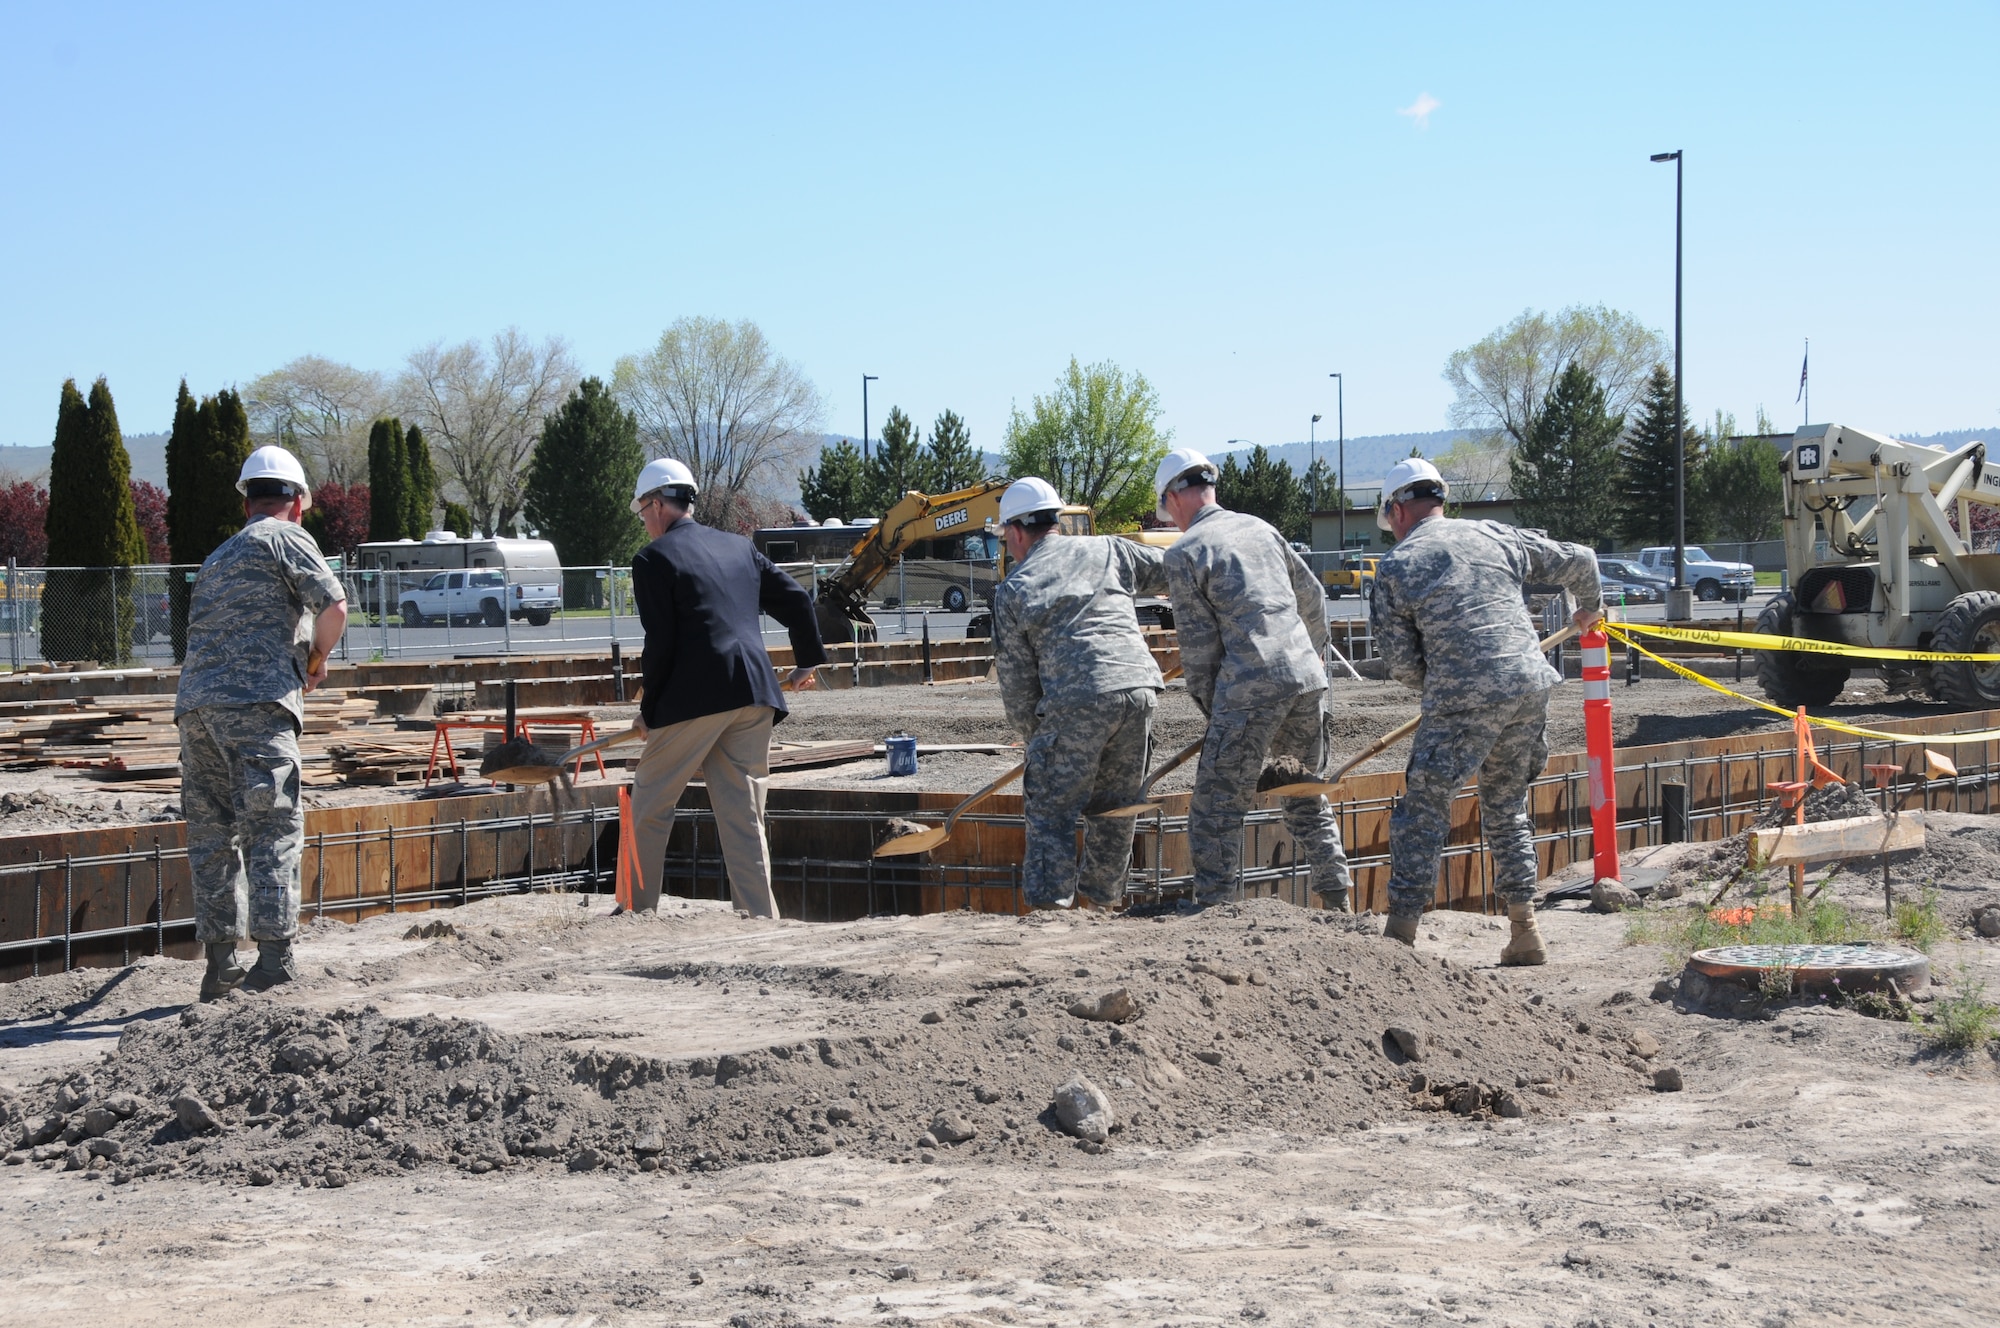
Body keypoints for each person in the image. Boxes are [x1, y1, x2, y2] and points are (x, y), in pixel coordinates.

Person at [1370, 457, 1604, 964]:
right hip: (1528, 684)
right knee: (1506, 805)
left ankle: (1399, 943)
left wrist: (1445, 685)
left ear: (1398, 511)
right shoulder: (1498, 536)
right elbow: (1582, 559)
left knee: (1423, 812)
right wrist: (1590, 607)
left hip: (1463, 697)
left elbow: (1401, 663)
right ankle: (1525, 932)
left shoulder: (1396, 566)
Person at [176, 445, 348, 1000]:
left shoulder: (217, 556)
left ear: (245, 500)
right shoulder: (287, 536)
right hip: (257, 706)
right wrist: (316, 662)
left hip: (197, 711)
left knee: (212, 837)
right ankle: (274, 963)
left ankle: (220, 965)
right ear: (296, 502)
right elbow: (334, 607)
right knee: (271, 828)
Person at [626, 457, 826, 917]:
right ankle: (759, 919)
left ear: (657, 504)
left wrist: (650, 710)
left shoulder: (653, 559)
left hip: (695, 697)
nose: (645, 524)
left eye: (643, 513)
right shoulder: (739, 548)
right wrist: (807, 660)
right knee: (743, 815)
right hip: (754, 694)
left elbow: (660, 646)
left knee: (649, 806)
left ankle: (636, 915)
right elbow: (796, 598)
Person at [1155, 448, 1353, 911]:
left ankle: (1215, 916)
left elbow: (1201, 656)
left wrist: (1218, 715)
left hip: (1248, 689)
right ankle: (1338, 901)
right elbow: (1314, 597)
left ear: (1173, 498)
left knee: (1214, 813)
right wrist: (1311, 657)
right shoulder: (1260, 528)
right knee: (1304, 794)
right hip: (1306, 678)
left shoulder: (1185, 552)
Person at [991, 477, 1169, 909]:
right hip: (1138, 691)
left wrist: (1041, 743)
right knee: (1114, 810)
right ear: (1057, 520)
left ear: (1015, 532)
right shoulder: (1109, 549)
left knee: (1051, 813)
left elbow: (1017, 691)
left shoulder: (1015, 588)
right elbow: (1177, 569)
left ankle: (1051, 919)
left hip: (1077, 701)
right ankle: (1103, 907)